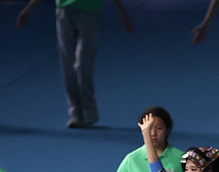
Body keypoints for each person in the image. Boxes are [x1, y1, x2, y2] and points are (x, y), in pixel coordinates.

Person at [16, 0, 133, 128]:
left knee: (83, 62)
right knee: (68, 63)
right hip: (65, 9)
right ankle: (76, 112)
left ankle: (89, 110)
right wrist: (28, 9)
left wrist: (122, 12)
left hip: (90, 9)